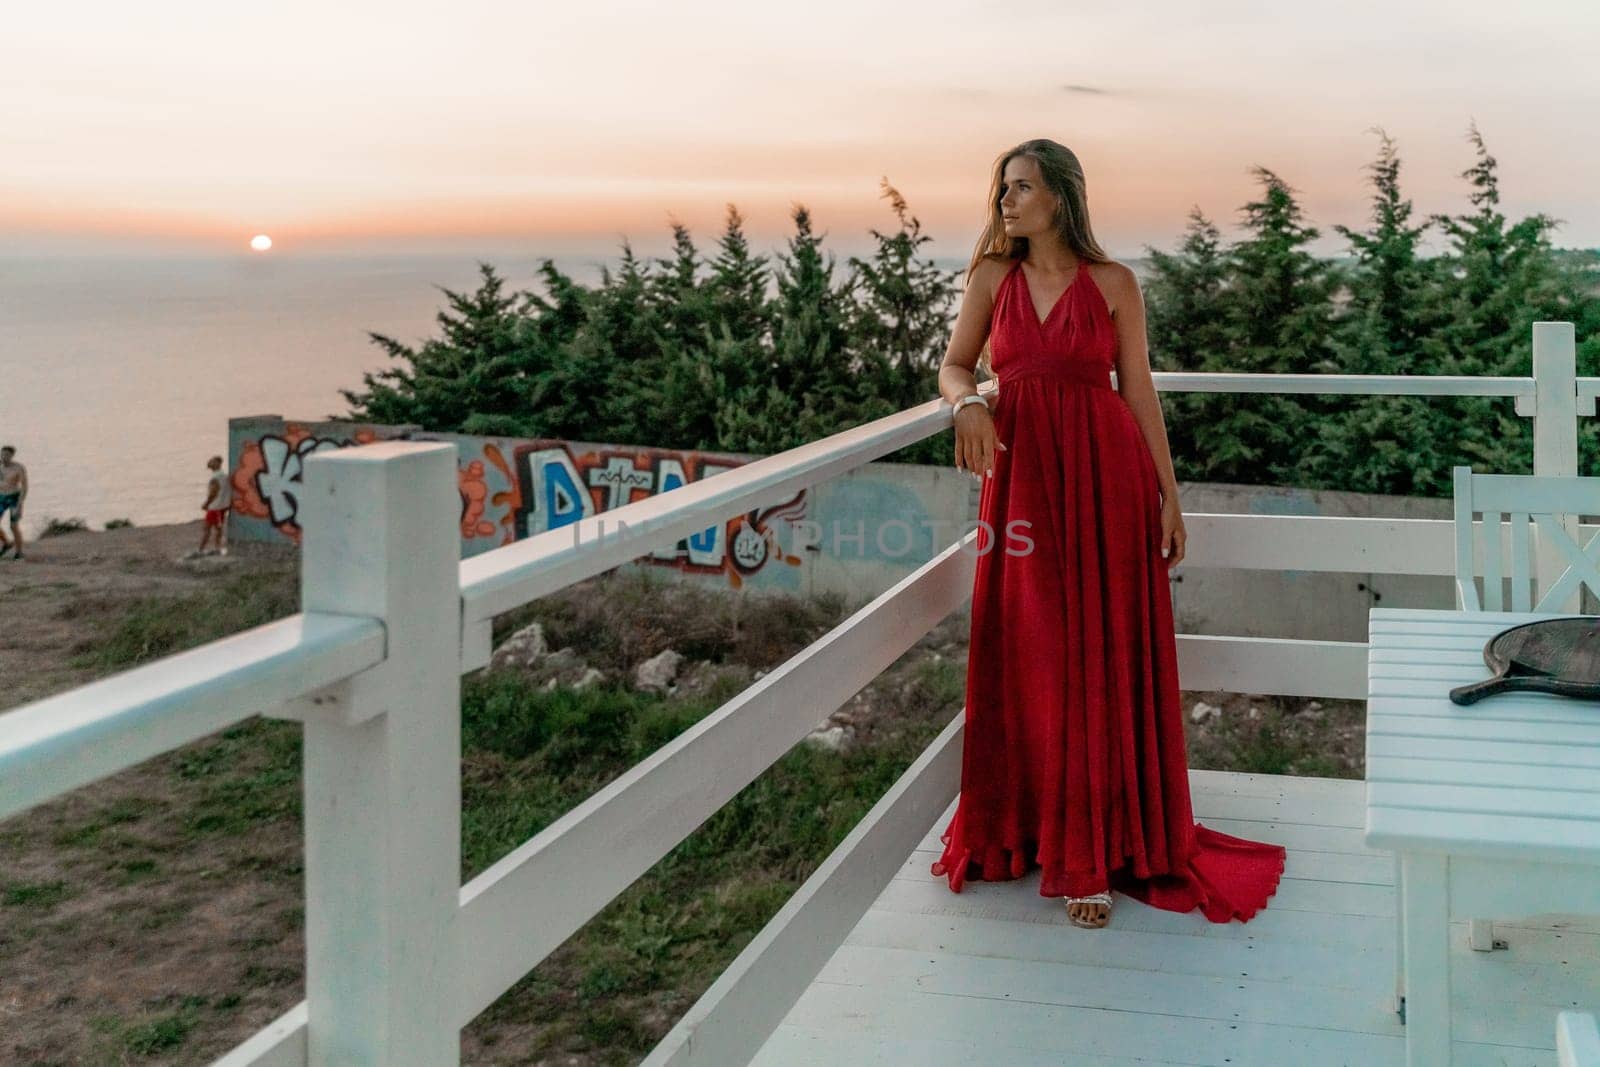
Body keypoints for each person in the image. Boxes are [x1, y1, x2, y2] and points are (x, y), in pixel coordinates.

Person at [930, 140, 1286, 928]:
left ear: (1060, 196)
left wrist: (1168, 493)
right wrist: (970, 404)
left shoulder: (1117, 284)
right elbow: (954, 365)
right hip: (1024, 484)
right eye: (1002, 191)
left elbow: (1140, 390)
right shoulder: (992, 278)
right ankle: (1024, 829)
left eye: (1021, 188)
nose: (1006, 203)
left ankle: (1087, 849)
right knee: (1032, 648)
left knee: (1095, 655)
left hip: (1107, 485)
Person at [198, 455, 231, 556]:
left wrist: (206, 504)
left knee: (207, 528)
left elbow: (213, 492)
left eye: (212, 461)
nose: (209, 463)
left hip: (215, 507)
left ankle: (201, 549)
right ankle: (217, 547)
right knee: (218, 528)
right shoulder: (224, 476)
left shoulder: (215, 477)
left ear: (217, 463)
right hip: (222, 506)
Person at [0, 445, 27, 561]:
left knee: (13, 526)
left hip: (14, 498)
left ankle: (19, 553)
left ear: (12, 456)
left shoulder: (18, 468)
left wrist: (20, 504)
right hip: (1, 497)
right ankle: (7, 543)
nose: (4, 457)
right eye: (2, 454)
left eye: (6, 455)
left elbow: (24, 486)